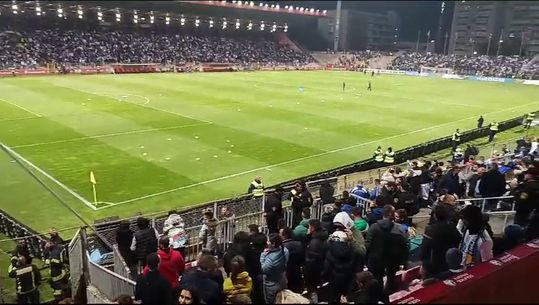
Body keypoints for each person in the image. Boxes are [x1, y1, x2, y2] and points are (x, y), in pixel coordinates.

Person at [366, 205, 409, 294]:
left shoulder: (373, 227)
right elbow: (405, 244)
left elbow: (368, 244)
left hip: (376, 259)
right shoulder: (400, 228)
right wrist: (403, 260)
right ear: (391, 214)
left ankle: (378, 295)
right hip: (393, 259)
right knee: (391, 278)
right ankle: (389, 295)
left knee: (377, 279)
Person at [420, 205, 462, 279]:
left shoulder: (430, 229)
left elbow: (425, 249)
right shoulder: (452, 226)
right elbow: (459, 239)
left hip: (435, 263)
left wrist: (424, 264)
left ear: (435, 215)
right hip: (450, 261)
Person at [322, 230, 361, 303]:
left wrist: (324, 278)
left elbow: (327, 268)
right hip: (349, 281)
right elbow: (357, 267)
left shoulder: (330, 252)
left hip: (334, 281)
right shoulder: (353, 251)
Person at [259, 233, 289, 304]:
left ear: (273, 244)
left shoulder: (270, 259)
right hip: (282, 281)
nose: (267, 242)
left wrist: (263, 255)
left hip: (271, 286)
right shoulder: (285, 251)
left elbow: (264, 269)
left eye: (268, 241)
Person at [304, 219, 328, 303]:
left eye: (309, 227)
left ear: (312, 228)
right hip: (321, 268)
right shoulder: (322, 237)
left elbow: (312, 261)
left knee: (312, 290)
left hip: (313, 272)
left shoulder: (314, 242)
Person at [280, 227, 305, 293]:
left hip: (286, 274)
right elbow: (303, 258)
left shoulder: (282, 247)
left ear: (284, 235)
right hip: (297, 272)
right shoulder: (299, 244)